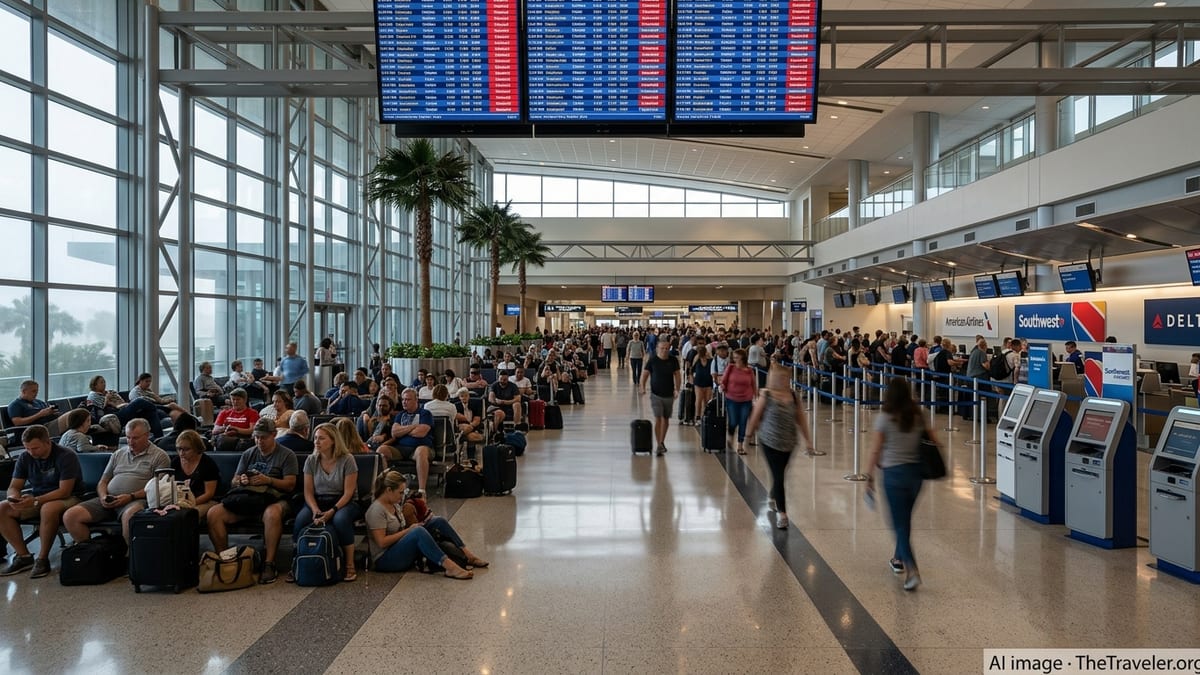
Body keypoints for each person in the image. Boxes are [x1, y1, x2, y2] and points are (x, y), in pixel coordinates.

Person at [206, 418, 299, 584]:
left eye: (263, 437)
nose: (259, 441)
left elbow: (290, 485)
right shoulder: (249, 453)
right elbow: (234, 480)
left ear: (274, 435)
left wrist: (268, 480)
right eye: (256, 437)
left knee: (272, 513)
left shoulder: (287, 455)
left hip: (274, 499)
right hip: (248, 499)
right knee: (214, 513)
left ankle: (269, 563)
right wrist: (240, 480)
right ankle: (226, 559)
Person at [866, 378, 938, 592]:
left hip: (893, 474)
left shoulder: (885, 418)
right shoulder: (918, 415)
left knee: (898, 524)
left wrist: (868, 476)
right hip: (916, 474)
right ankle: (898, 558)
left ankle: (912, 570)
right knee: (904, 521)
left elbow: (876, 450)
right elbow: (934, 440)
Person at [63, 418, 169, 543]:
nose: (130, 442)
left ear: (147, 435)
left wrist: (130, 496)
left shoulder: (160, 456)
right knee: (70, 516)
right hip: (109, 498)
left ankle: (129, 556)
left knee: (130, 516)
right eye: (128, 437)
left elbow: (158, 487)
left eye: (135, 438)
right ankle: (91, 553)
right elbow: (103, 481)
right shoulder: (118, 454)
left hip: (136, 500)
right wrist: (103, 496)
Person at [365, 470, 483, 578]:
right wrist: (408, 530)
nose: (402, 497)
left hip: (397, 546)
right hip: (385, 559)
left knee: (438, 521)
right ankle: (450, 567)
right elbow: (382, 542)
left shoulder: (393, 503)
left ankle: (468, 555)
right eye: (400, 493)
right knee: (417, 532)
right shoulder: (376, 510)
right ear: (388, 490)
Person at [0, 425, 82, 578]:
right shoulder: (26, 457)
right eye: (27, 448)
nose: (31, 452)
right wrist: (14, 498)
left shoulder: (66, 456)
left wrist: (36, 501)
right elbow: (14, 486)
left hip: (69, 498)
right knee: (3, 508)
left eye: (35, 448)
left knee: (48, 509)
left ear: (47, 442)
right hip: (38, 497)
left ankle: (42, 559)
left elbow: (65, 491)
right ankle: (23, 556)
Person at [744, 365, 816, 530]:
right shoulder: (766, 395)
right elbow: (755, 416)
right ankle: (782, 513)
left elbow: (801, 419)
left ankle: (773, 493)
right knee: (778, 475)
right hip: (769, 441)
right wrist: (748, 436)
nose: (784, 381)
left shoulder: (793, 395)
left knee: (781, 473)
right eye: (780, 378)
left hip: (789, 442)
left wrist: (808, 441)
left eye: (786, 378)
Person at [289, 422, 360, 583]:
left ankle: (349, 563)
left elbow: (349, 493)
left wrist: (332, 511)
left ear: (333, 440)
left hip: (343, 501)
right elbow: (308, 491)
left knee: (340, 520)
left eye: (321, 438)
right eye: (315, 438)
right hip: (318, 500)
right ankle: (296, 562)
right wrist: (315, 509)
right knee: (301, 520)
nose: (316, 442)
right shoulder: (311, 460)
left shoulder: (347, 460)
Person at [378, 388, 432, 493]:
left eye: (407, 399)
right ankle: (385, 486)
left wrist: (403, 430)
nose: (404, 402)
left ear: (416, 400)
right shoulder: (400, 415)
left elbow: (421, 432)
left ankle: (421, 491)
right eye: (403, 399)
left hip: (420, 447)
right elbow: (394, 432)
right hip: (401, 448)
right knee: (381, 450)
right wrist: (414, 426)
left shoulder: (425, 413)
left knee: (421, 451)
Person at [86, 375, 164, 439]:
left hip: (120, 409)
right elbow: (102, 407)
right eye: (101, 382)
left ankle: (159, 439)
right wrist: (108, 399)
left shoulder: (108, 392)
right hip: (113, 417)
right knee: (139, 401)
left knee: (148, 413)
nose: (104, 384)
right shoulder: (93, 394)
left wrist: (117, 402)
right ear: (95, 385)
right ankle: (163, 408)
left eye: (104, 382)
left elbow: (120, 402)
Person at [639, 338, 681, 456]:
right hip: (656, 394)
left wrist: (677, 389)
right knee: (658, 417)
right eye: (662, 348)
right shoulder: (652, 361)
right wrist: (642, 386)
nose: (665, 351)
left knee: (666, 418)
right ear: (657, 349)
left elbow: (677, 376)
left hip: (669, 395)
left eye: (667, 348)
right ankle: (658, 444)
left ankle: (662, 441)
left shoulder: (673, 360)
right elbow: (645, 375)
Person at [171, 429, 220, 522]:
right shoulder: (176, 462)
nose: (181, 453)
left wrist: (189, 503)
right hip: (182, 500)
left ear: (196, 448)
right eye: (179, 449)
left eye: (186, 449)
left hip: (207, 501)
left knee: (189, 515)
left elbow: (209, 494)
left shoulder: (207, 464)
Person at [720, 348, 758, 455]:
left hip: (746, 399)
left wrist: (756, 396)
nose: (734, 359)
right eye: (734, 357)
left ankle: (740, 445)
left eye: (737, 357)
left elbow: (753, 384)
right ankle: (731, 434)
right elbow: (724, 380)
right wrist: (722, 386)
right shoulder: (730, 368)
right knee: (733, 421)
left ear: (742, 358)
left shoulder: (749, 370)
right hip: (732, 398)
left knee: (743, 421)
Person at [211, 388, 260, 452]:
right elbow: (214, 431)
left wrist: (235, 429)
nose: (235, 402)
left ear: (245, 400)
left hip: (243, 440)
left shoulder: (253, 413)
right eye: (233, 399)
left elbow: (251, 430)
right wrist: (226, 428)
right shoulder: (224, 412)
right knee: (222, 440)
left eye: (238, 399)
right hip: (225, 438)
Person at [690, 344, 714, 425]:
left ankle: (705, 416)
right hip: (698, 383)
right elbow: (691, 370)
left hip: (708, 382)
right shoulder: (696, 359)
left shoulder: (710, 360)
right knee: (699, 400)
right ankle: (697, 417)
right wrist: (691, 379)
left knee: (707, 401)